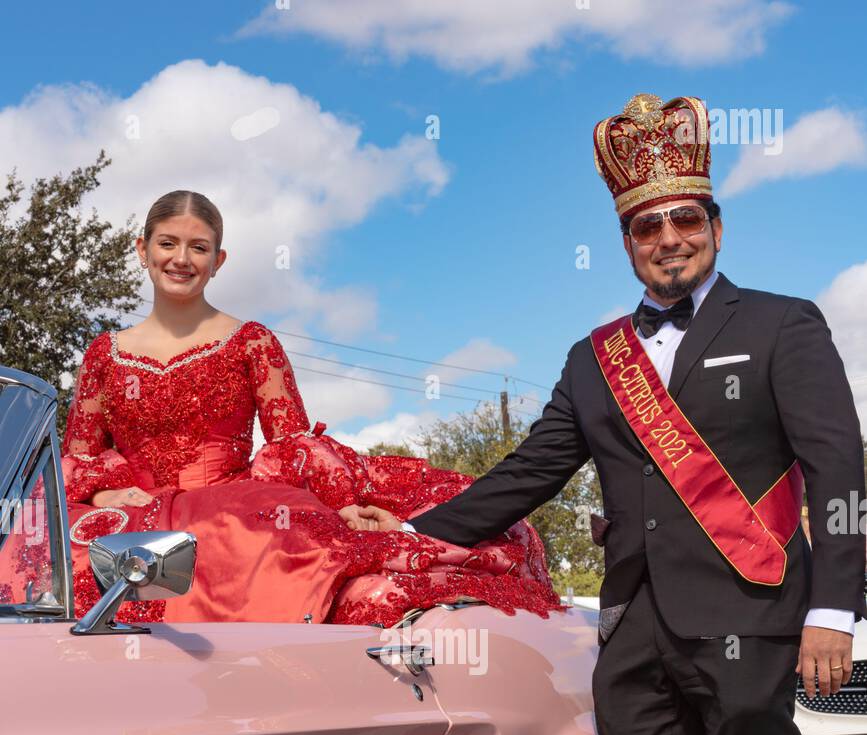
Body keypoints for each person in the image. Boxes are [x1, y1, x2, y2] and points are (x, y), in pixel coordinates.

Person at [352, 94, 867, 735]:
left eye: (686, 221)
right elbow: (525, 474)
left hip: (757, 616)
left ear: (715, 228)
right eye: (646, 226)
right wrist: (410, 531)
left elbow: (838, 475)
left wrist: (832, 610)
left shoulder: (783, 326)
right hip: (633, 627)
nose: (668, 239)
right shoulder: (596, 361)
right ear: (625, 239)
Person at [61, 189, 561, 629]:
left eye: (199, 247)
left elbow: (291, 445)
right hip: (128, 515)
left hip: (228, 511)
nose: (181, 259)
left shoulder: (252, 342)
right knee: (51, 558)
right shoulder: (105, 354)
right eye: (168, 243)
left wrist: (336, 506)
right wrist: (104, 495)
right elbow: (78, 459)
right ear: (142, 250)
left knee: (324, 574)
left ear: (219, 260)